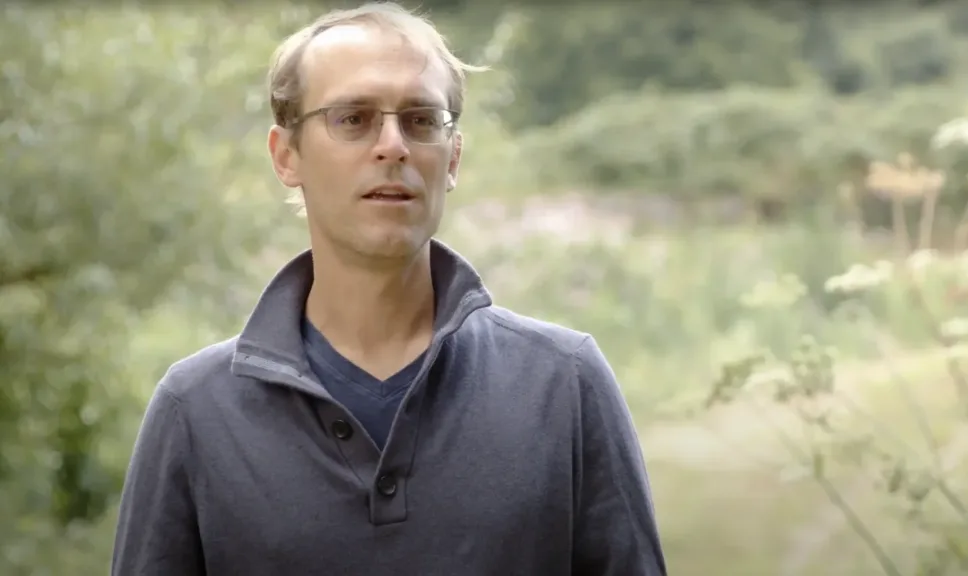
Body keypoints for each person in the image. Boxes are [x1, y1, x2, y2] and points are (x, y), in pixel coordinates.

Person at [110, 3, 667, 575]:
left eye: (422, 119)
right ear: (286, 155)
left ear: (452, 157)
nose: (394, 145)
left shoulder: (565, 384)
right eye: (352, 118)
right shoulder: (197, 411)